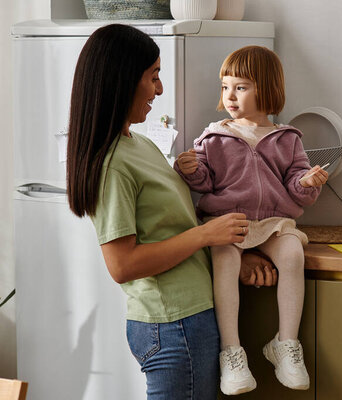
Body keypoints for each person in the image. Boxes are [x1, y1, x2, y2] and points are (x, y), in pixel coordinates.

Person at [66, 24, 277, 400]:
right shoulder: (113, 164)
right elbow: (123, 265)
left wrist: (230, 253)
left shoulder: (139, 144)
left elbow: (172, 227)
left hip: (188, 315)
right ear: (122, 80)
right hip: (173, 323)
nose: (159, 89)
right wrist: (206, 236)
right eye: (153, 77)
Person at [174, 45, 328, 395]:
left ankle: (286, 345)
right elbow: (204, 182)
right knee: (225, 258)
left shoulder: (288, 138)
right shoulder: (214, 136)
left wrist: (307, 183)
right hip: (228, 222)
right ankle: (232, 352)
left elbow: (296, 183)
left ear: (268, 89)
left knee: (292, 253)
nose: (230, 95)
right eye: (225, 86)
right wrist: (189, 169)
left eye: (240, 87)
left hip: (273, 222)